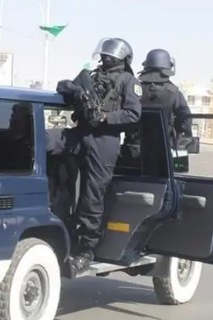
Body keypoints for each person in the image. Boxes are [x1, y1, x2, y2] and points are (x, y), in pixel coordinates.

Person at [48, 37, 142, 272]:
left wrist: (105, 117)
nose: (106, 58)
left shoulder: (128, 81)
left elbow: (132, 114)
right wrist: (77, 92)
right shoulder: (91, 77)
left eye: (111, 55)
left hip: (105, 140)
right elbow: (62, 86)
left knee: (92, 195)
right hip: (81, 133)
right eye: (105, 54)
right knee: (45, 141)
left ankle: (86, 249)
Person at [138, 49, 192, 144]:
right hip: (164, 145)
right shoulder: (174, 92)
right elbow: (185, 119)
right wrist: (180, 137)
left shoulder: (135, 89)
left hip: (136, 144)